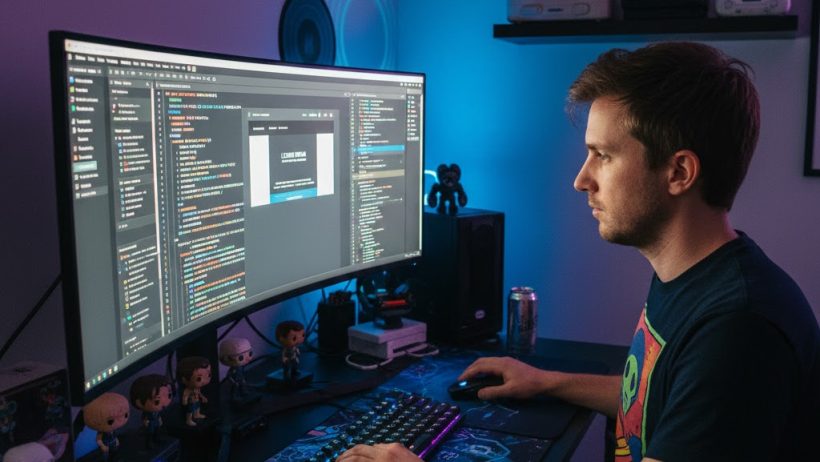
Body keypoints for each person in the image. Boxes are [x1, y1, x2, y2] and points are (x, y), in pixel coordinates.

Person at [336, 42, 820, 462]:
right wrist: (547, 381)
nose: (581, 179)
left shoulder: (737, 332)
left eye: (603, 155)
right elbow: (659, 398)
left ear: (678, 173)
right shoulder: (697, 277)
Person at [129, 374, 173, 448]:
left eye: (169, 395)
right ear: (139, 403)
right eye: (157, 401)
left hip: (156, 422)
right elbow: (144, 417)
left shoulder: (157, 411)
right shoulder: (147, 413)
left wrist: (159, 419)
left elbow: (158, 415)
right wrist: (145, 422)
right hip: (150, 423)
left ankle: (157, 439)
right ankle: (149, 443)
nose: (164, 403)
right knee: (150, 433)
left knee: (157, 431)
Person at [82, 393, 129, 461]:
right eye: (110, 421)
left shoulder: (112, 429)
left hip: (113, 444)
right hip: (106, 446)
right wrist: (103, 446)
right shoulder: (102, 432)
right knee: (106, 457)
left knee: (114, 454)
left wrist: (116, 440)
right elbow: (98, 440)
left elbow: (114, 435)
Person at [177, 356, 212, 426]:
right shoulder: (188, 390)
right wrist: (185, 401)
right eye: (199, 378)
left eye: (209, 375)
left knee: (197, 407)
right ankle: (189, 420)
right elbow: (185, 395)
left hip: (197, 400)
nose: (204, 381)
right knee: (190, 411)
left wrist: (203, 397)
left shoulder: (197, 388)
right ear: (184, 379)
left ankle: (197, 414)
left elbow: (199, 393)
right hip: (191, 402)